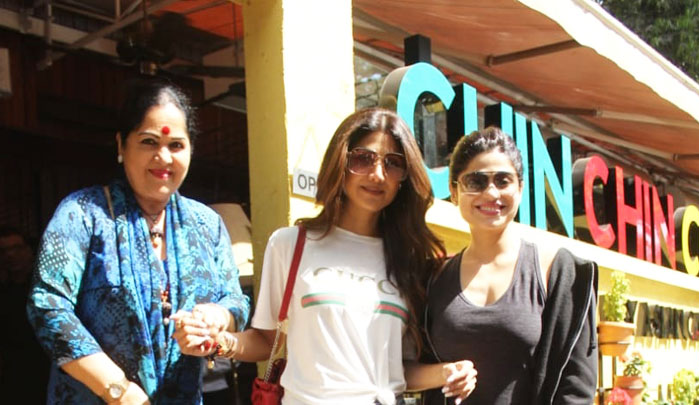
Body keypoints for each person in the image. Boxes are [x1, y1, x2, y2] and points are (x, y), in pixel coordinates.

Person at [174, 107, 477, 404]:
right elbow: (265, 342)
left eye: (393, 163)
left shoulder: (407, 260)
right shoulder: (290, 244)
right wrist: (217, 342)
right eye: (363, 159)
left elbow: (398, 370)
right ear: (341, 162)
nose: (377, 174)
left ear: (403, 178)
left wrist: (445, 373)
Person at [26, 79, 250, 404]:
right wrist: (118, 390)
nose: (163, 157)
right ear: (121, 145)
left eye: (176, 145)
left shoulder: (207, 224)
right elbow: (47, 304)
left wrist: (218, 317)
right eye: (149, 142)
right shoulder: (83, 213)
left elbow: (236, 300)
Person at [422, 127, 598, 404]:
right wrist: (441, 374)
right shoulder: (433, 277)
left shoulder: (557, 271)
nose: (491, 192)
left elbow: (577, 389)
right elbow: (405, 366)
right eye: (476, 181)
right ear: (454, 192)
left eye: (503, 180)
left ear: (520, 188)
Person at [0, 226, 50, 404]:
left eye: (16, 248)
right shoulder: (4, 293)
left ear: (29, 250)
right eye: (3, 251)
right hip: (13, 375)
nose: (10, 255)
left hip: (47, 369)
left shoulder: (47, 289)